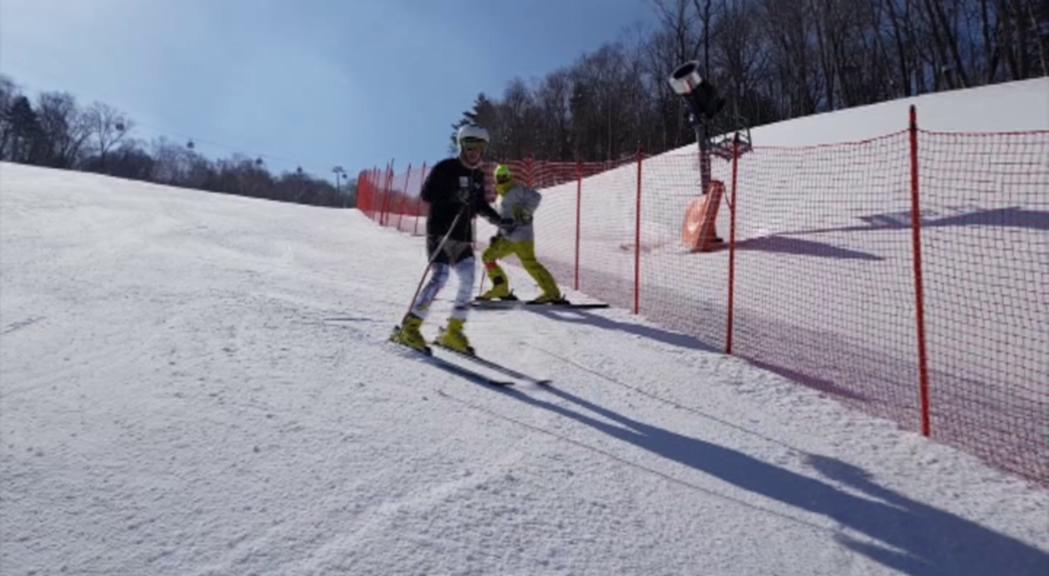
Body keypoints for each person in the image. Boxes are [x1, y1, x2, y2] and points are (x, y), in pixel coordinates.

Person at [391, 124, 508, 355]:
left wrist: (499, 220)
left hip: (462, 237)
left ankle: (453, 332)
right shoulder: (446, 168)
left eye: (480, 146)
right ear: (461, 145)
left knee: (468, 279)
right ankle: (410, 328)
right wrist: (454, 195)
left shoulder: (477, 175)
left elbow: (479, 204)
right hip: (441, 233)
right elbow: (427, 194)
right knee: (441, 277)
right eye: (470, 145)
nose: (475, 151)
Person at [478, 164, 566, 304]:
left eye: (504, 176)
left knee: (530, 264)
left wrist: (526, 212)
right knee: (488, 257)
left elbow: (536, 196)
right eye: (499, 177)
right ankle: (501, 288)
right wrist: (498, 235)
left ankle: (551, 293)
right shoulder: (499, 198)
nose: (502, 179)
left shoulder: (517, 190)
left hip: (522, 236)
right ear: (495, 179)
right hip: (507, 238)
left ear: (509, 176)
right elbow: (502, 219)